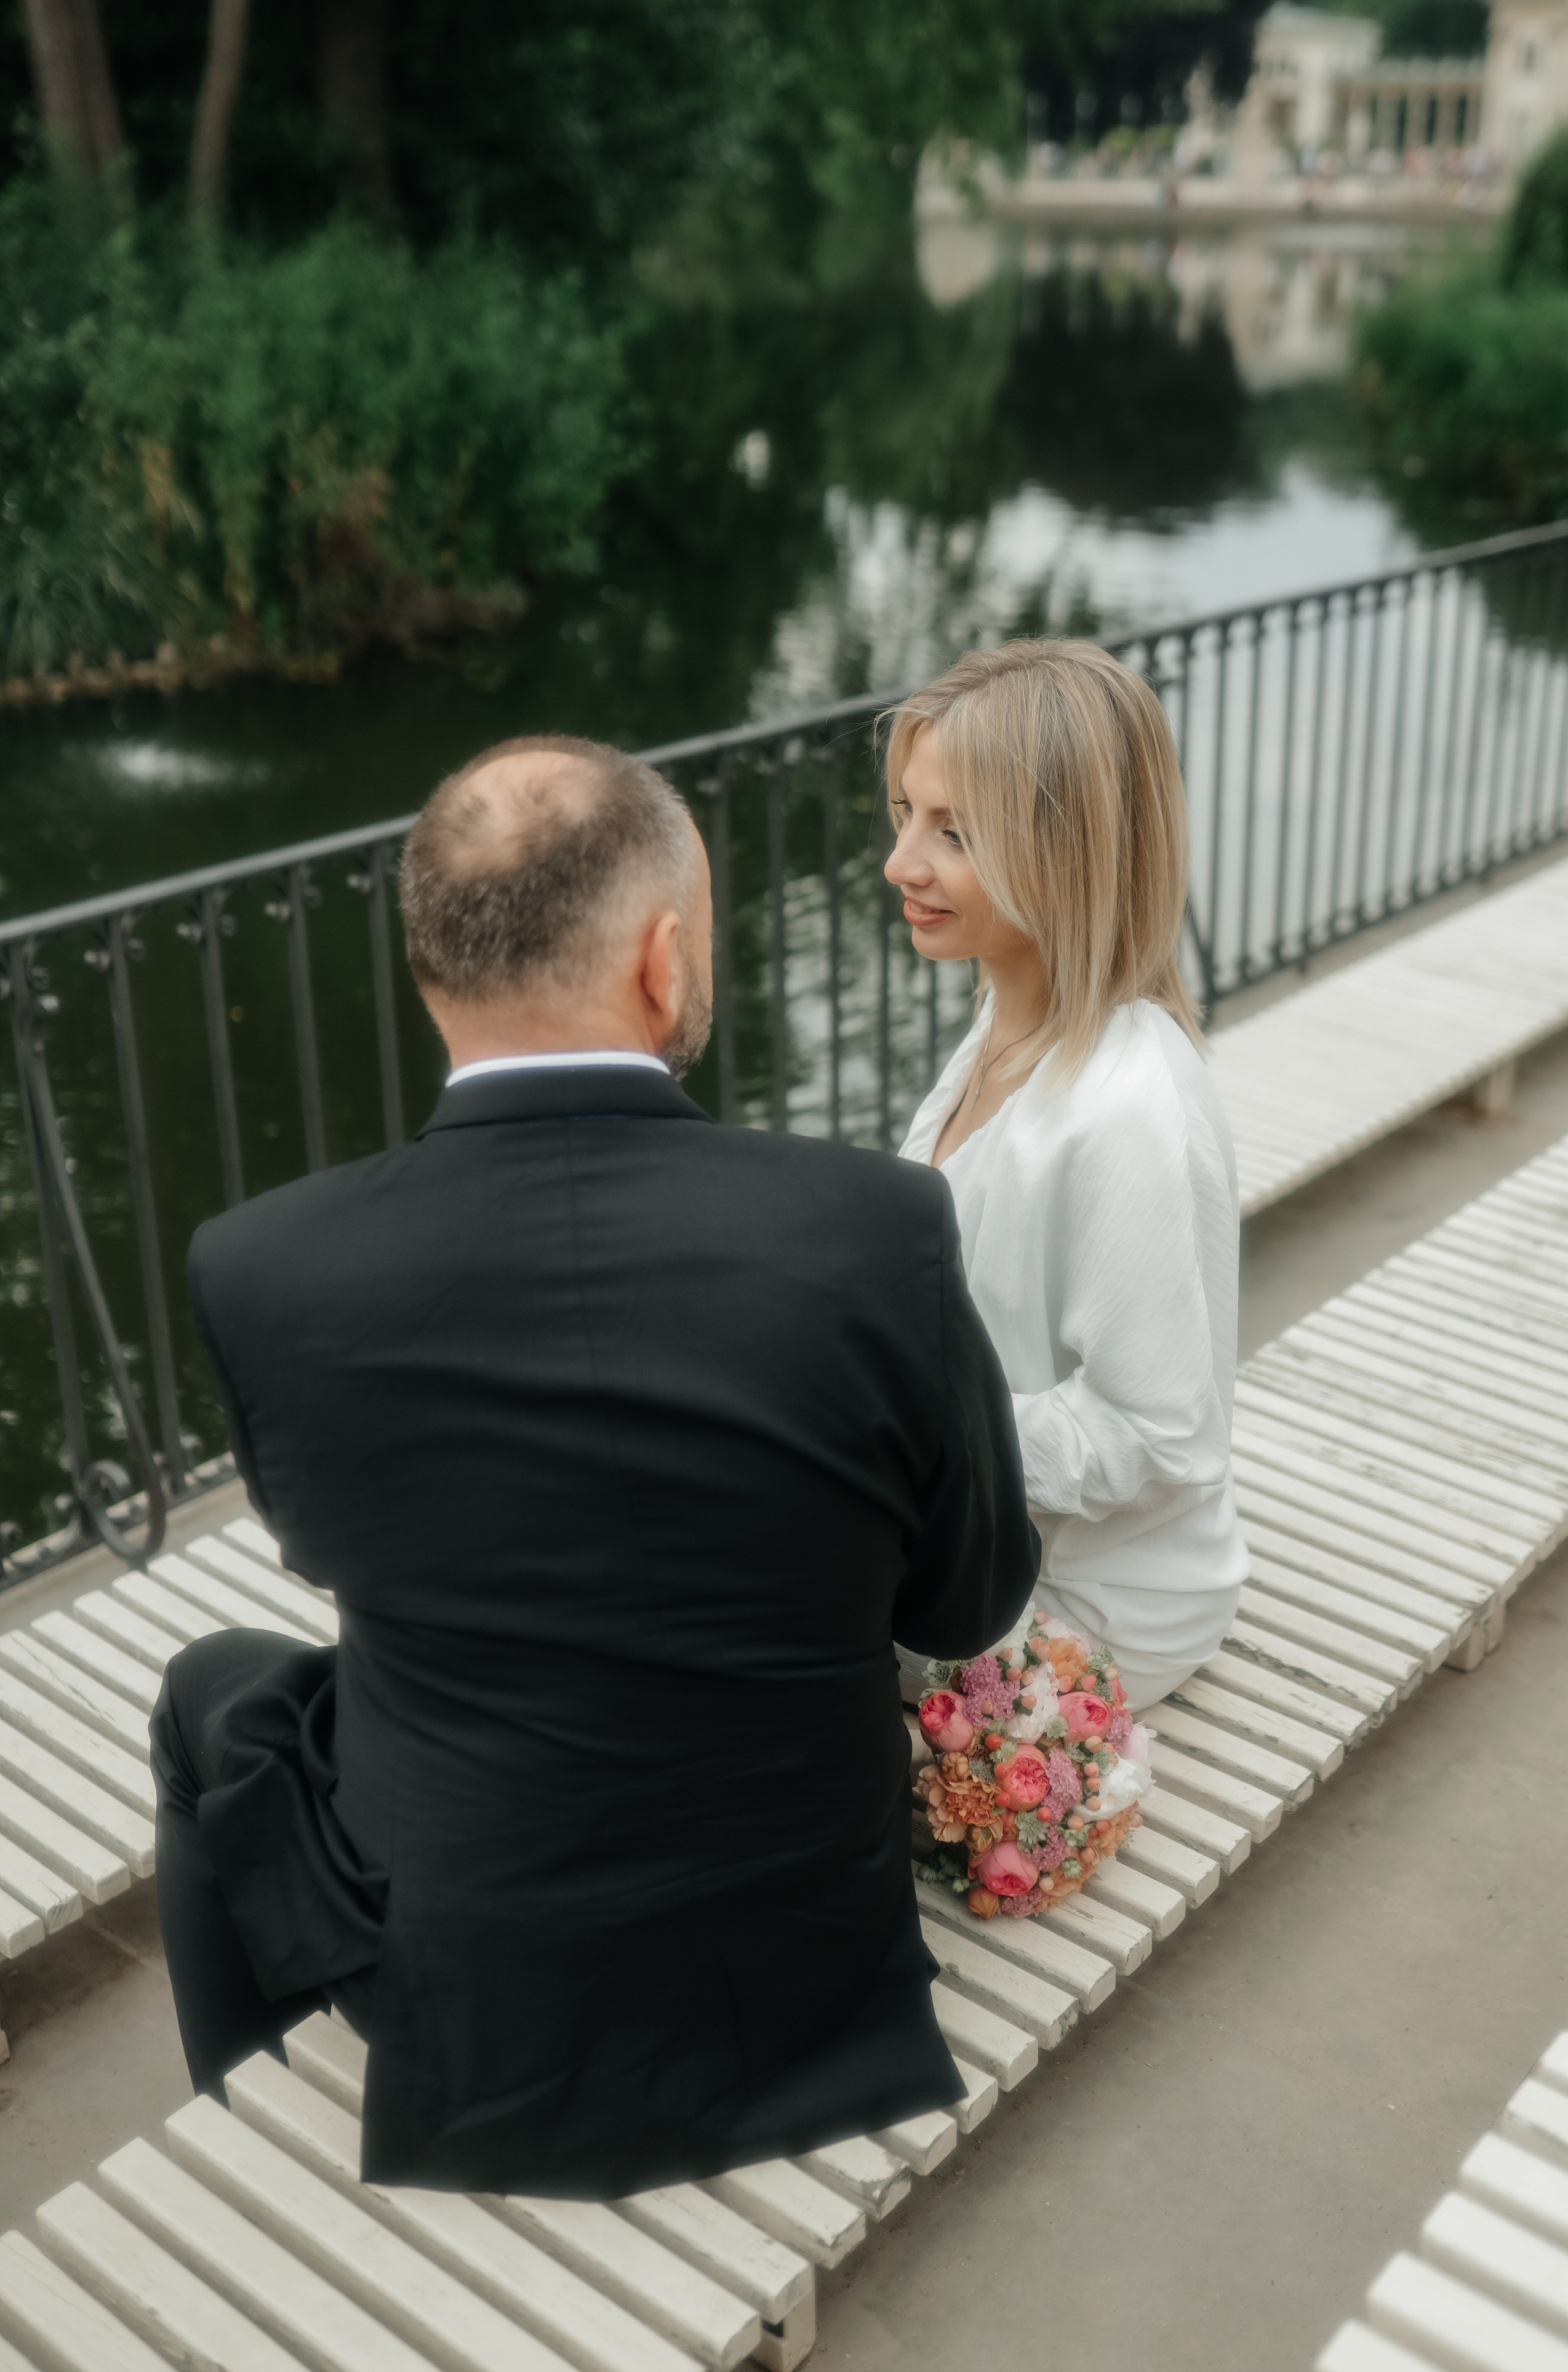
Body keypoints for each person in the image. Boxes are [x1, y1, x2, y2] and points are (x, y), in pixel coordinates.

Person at [152, 732, 1037, 2199]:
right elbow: (966, 1603)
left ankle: (241, 2110)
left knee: (218, 1691)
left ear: (429, 971)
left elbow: (327, 1551)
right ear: (664, 958)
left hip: (481, 1992)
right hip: (801, 1962)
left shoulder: (261, 1269)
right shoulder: (873, 1227)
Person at [886, 640, 1247, 1712]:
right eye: (905, 814)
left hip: (1084, 1595)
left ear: (1065, 851)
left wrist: (914, 1431)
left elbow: (1161, 1431)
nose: (902, 863)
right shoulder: (1009, 1012)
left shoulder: (1129, 1110)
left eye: (952, 833)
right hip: (978, 1524)